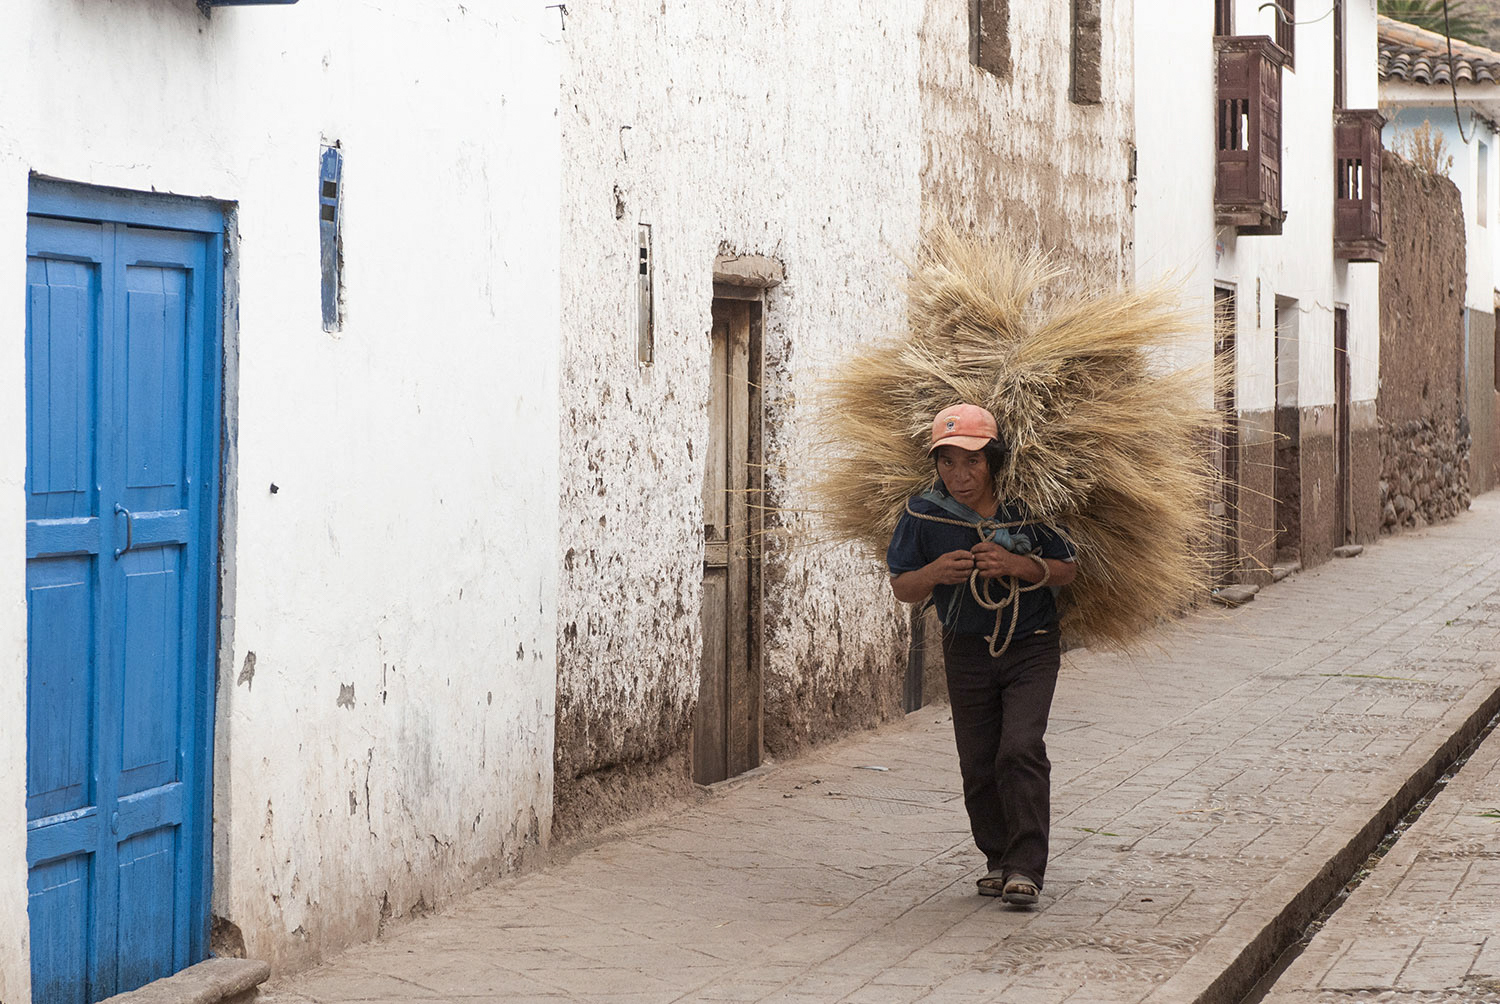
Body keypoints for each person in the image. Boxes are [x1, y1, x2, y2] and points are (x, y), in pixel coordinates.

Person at [886, 403, 1077, 907]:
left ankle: (1027, 868)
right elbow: (903, 585)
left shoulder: (1028, 509)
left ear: (994, 460)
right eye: (947, 462)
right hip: (965, 649)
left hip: (1032, 644)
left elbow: (1068, 570)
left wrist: (1016, 564)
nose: (959, 475)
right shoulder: (923, 514)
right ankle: (998, 859)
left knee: (1019, 748)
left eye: (971, 461)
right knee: (977, 762)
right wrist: (933, 575)